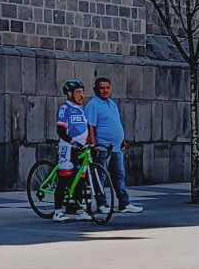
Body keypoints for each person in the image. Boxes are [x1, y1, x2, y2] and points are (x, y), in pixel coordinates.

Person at [86, 76, 142, 214]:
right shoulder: (93, 104)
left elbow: (116, 122)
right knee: (100, 177)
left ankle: (124, 203)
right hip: (102, 147)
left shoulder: (112, 104)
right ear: (96, 90)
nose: (105, 90)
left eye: (107, 87)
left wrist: (122, 139)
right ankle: (101, 204)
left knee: (119, 175)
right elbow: (90, 126)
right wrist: (93, 143)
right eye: (102, 88)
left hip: (116, 147)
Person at [55, 79, 93, 220]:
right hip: (68, 147)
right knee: (64, 178)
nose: (81, 95)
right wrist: (71, 141)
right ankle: (58, 211)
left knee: (80, 179)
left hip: (82, 148)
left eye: (82, 92)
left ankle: (78, 209)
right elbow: (61, 130)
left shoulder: (81, 110)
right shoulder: (65, 108)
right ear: (70, 94)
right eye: (78, 92)